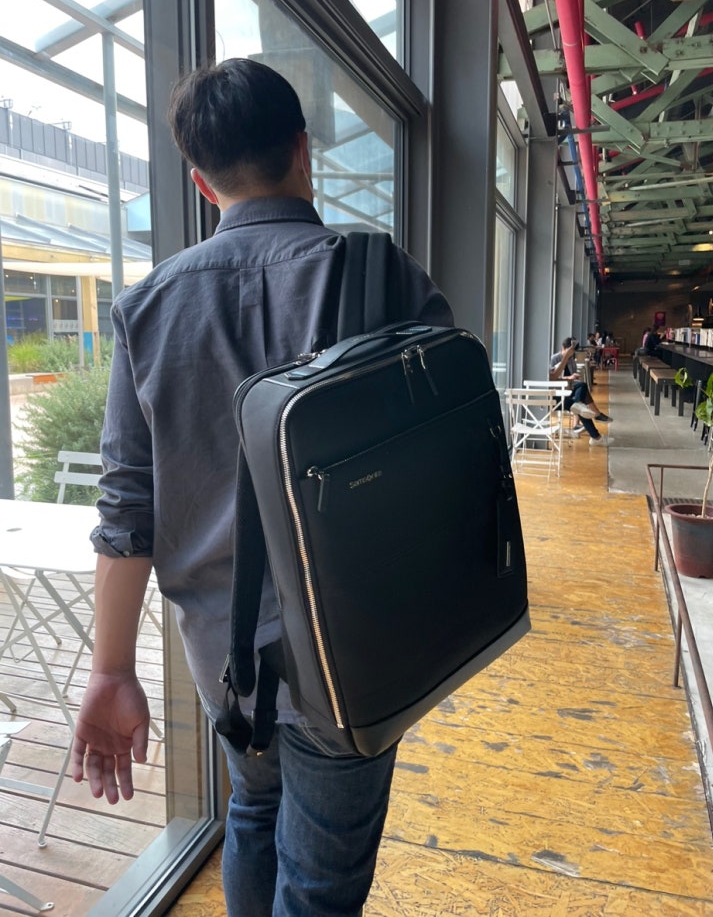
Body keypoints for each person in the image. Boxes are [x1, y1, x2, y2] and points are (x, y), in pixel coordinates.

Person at [70, 58, 454, 917]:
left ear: (201, 182)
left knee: (253, 804)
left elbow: (126, 511)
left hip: (222, 654)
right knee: (319, 879)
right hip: (354, 647)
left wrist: (111, 669)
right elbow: (447, 458)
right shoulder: (383, 275)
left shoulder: (146, 308)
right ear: (302, 149)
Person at [549, 336, 613, 446]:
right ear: (563, 348)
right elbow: (553, 378)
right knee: (581, 406)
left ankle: (595, 434)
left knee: (581, 400)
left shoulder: (570, 360)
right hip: (554, 395)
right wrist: (566, 361)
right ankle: (596, 432)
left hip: (565, 388)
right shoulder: (555, 358)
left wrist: (570, 377)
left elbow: (553, 378)